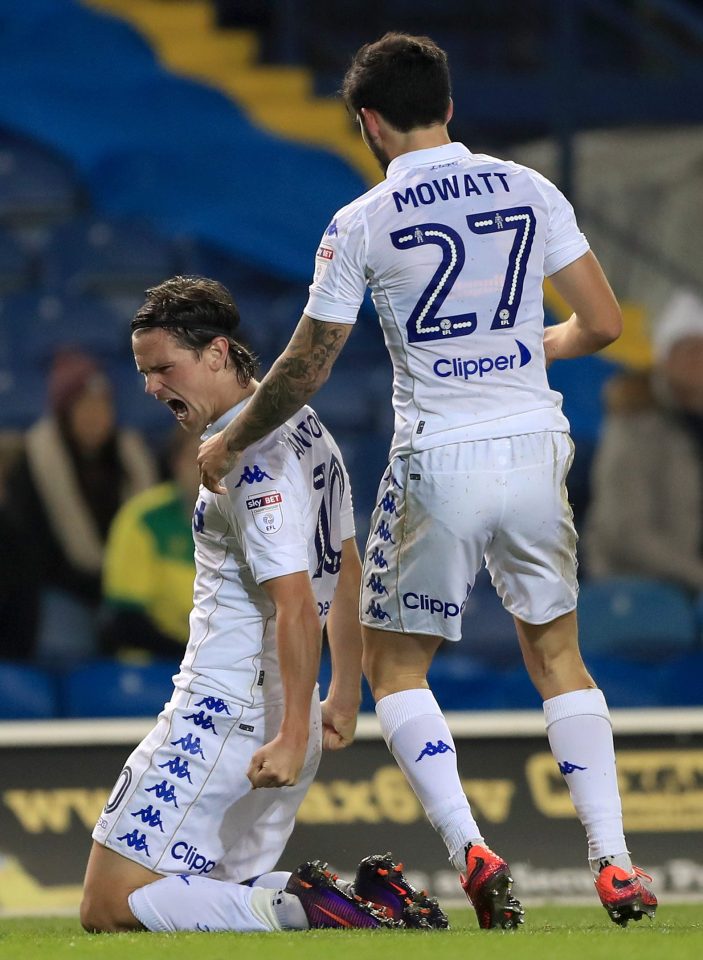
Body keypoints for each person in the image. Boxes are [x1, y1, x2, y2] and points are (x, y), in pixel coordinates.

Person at [196, 33, 657, 929]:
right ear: (448, 104)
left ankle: (469, 847)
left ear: (368, 121)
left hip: (437, 453)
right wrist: (525, 350)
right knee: (559, 656)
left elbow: (303, 369)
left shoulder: (362, 220)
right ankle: (615, 863)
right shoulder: (531, 189)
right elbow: (598, 324)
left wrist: (231, 438)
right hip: (533, 445)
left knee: (395, 665)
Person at [80, 276, 447, 935]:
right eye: (143, 372)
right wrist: (339, 693)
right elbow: (345, 563)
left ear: (217, 354)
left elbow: (298, 603)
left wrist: (291, 732)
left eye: (164, 368)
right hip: (285, 715)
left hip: (224, 715)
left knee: (110, 904)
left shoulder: (246, 463)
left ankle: (310, 908)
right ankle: (367, 897)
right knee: (214, 888)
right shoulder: (304, 427)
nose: (151, 386)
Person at [4, 349, 157, 666]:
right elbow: (30, 550)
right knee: (63, 646)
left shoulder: (132, 457)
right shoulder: (35, 463)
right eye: (84, 405)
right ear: (65, 411)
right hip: (64, 589)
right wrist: (96, 585)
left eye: (102, 404)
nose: (95, 414)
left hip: (127, 587)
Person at [584, 288, 703, 593]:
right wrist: (696, 575)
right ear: (665, 358)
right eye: (690, 351)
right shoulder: (636, 424)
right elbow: (626, 534)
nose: (699, 363)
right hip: (638, 590)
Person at [100, 428, 201, 661]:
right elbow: (127, 619)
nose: (204, 468)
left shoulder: (250, 523)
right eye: (194, 457)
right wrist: (193, 656)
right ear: (176, 464)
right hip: (157, 661)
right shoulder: (144, 519)